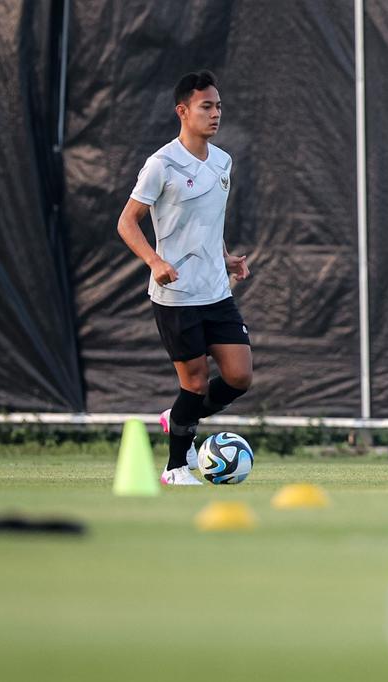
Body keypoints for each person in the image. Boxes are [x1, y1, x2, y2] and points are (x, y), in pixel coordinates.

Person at [116, 70, 252, 485]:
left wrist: (225, 256)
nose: (215, 114)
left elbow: (208, 222)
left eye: (219, 106)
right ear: (183, 111)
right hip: (176, 296)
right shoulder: (162, 164)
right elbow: (126, 223)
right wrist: (155, 262)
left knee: (239, 376)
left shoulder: (223, 161)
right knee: (193, 382)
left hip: (215, 291)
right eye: (206, 106)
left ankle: (177, 416)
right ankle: (175, 468)